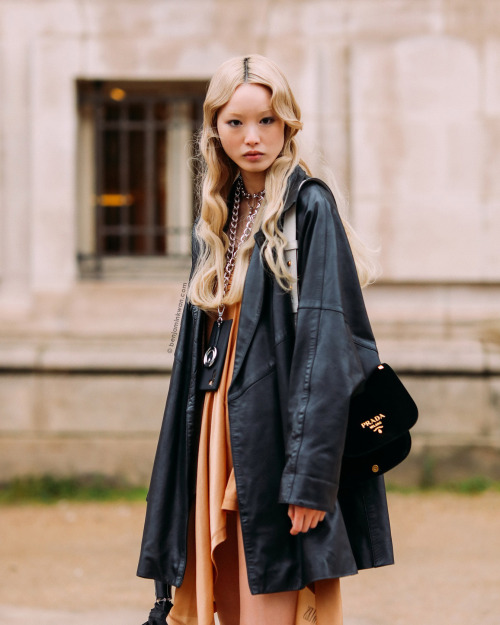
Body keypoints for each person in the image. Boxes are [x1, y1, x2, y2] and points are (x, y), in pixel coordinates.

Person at [137, 54, 394, 625]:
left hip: (277, 428)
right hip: (215, 423)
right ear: (214, 129)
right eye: (235, 122)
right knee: (221, 596)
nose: (252, 137)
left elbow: (328, 349)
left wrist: (310, 478)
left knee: (270, 596)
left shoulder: (309, 207)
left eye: (267, 121)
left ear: (288, 125)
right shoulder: (221, 214)